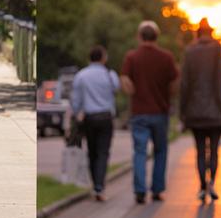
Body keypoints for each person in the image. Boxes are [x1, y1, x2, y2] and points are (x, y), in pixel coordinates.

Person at [121, 20, 179, 204]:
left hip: (139, 112)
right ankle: (157, 190)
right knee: (160, 151)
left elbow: (124, 80)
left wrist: (133, 92)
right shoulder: (167, 57)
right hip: (160, 111)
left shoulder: (132, 57)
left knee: (140, 151)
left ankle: (139, 191)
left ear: (140, 37)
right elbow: (175, 82)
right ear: (157, 37)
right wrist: (167, 95)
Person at [180, 18, 221, 203]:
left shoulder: (190, 51)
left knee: (200, 151)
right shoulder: (217, 49)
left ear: (198, 33)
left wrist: (183, 112)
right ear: (211, 32)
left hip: (195, 111)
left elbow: (185, 84)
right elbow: (219, 81)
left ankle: (202, 186)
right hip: (215, 111)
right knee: (214, 150)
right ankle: (212, 184)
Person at [70, 46, 119, 201]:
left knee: (92, 151)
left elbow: (75, 99)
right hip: (106, 117)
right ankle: (100, 186)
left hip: (89, 118)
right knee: (103, 152)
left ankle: (96, 184)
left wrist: (76, 113)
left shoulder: (81, 75)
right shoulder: (110, 75)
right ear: (103, 58)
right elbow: (116, 89)